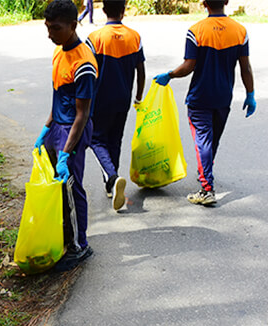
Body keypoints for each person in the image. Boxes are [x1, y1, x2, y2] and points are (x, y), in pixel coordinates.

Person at [153, 0, 255, 205]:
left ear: (204, 3)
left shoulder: (196, 31)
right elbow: (245, 68)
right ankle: (205, 171)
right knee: (212, 140)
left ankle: (207, 188)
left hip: (200, 98)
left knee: (203, 141)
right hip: (223, 97)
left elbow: (189, 66)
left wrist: (170, 75)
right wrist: (250, 93)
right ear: (226, 2)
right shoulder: (240, 31)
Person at [35, 0, 97, 271]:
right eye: (47, 27)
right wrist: (46, 129)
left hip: (73, 132)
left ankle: (80, 246)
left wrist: (65, 153)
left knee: (72, 189)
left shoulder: (84, 63)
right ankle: (66, 236)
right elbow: (58, 96)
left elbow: (82, 115)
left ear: (73, 26)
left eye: (56, 28)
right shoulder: (59, 52)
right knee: (58, 189)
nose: (50, 34)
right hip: (57, 129)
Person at [85, 0, 145, 211]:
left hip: (100, 100)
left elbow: (87, 72)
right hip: (123, 99)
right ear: (124, 9)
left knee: (95, 139)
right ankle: (112, 186)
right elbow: (141, 70)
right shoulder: (134, 37)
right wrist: (138, 96)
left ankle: (112, 177)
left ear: (103, 10)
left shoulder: (95, 38)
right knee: (115, 140)